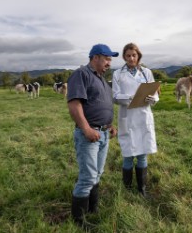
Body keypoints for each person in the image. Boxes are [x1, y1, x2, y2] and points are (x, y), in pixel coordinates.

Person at [66, 43, 119, 224]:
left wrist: (110, 125)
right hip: (89, 135)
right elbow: (74, 104)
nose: (109, 63)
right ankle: (78, 221)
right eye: (107, 59)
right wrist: (86, 128)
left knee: (97, 174)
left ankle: (92, 210)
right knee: (87, 177)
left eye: (110, 60)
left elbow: (102, 105)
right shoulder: (82, 74)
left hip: (104, 134)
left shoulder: (103, 80)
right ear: (95, 57)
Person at [112, 43, 159, 197]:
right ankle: (127, 190)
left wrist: (153, 98)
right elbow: (115, 96)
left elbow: (155, 93)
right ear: (124, 57)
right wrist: (130, 97)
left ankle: (142, 190)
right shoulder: (118, 74)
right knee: (127, 154)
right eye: (128, 55)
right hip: (127, 117)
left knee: (142, 154)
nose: (131, 58)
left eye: (134, 55)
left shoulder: (146, 72)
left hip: (143, 115)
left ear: (138, 56)